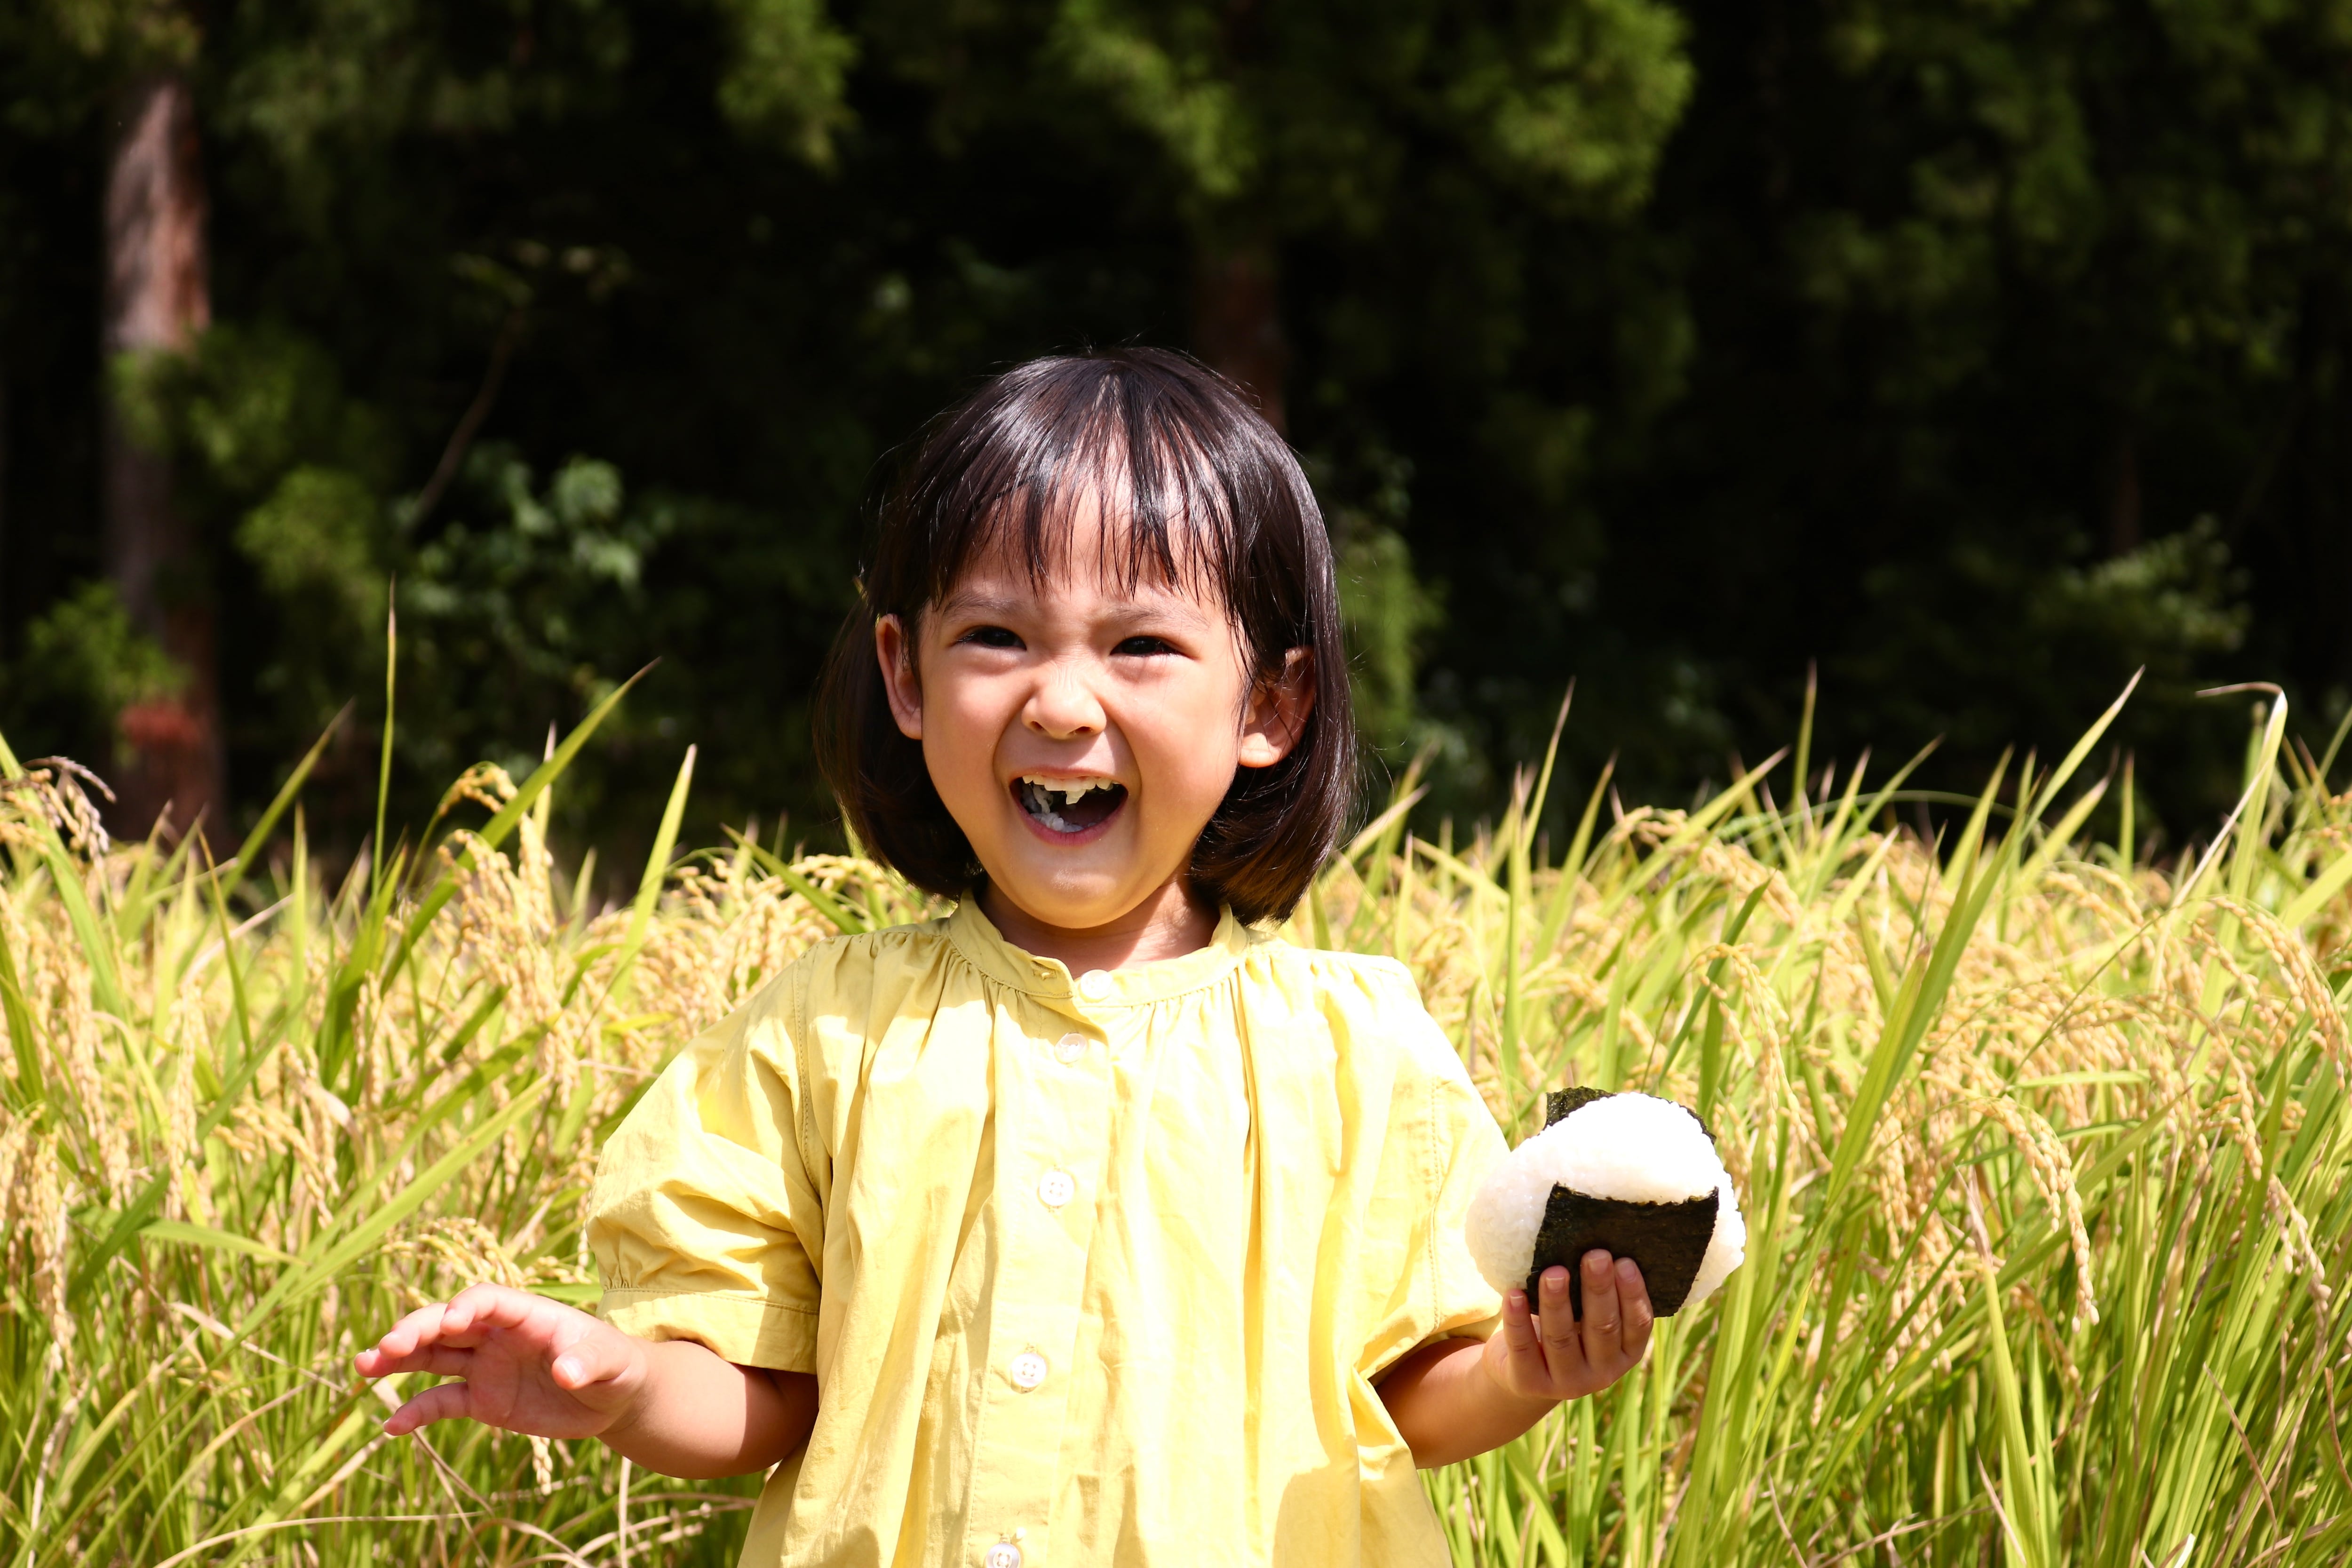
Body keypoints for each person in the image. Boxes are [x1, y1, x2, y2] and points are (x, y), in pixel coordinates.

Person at [355, 349, 1655, 1565]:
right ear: (906, 678)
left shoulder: (1353, 1050)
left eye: (1142, 646)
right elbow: (759, 1391)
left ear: (1270, 704)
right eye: (997, 638)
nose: (1063, 702)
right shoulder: (823, 1032)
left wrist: (1524, 1372)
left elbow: (1416, 1389)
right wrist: (627, 1385)